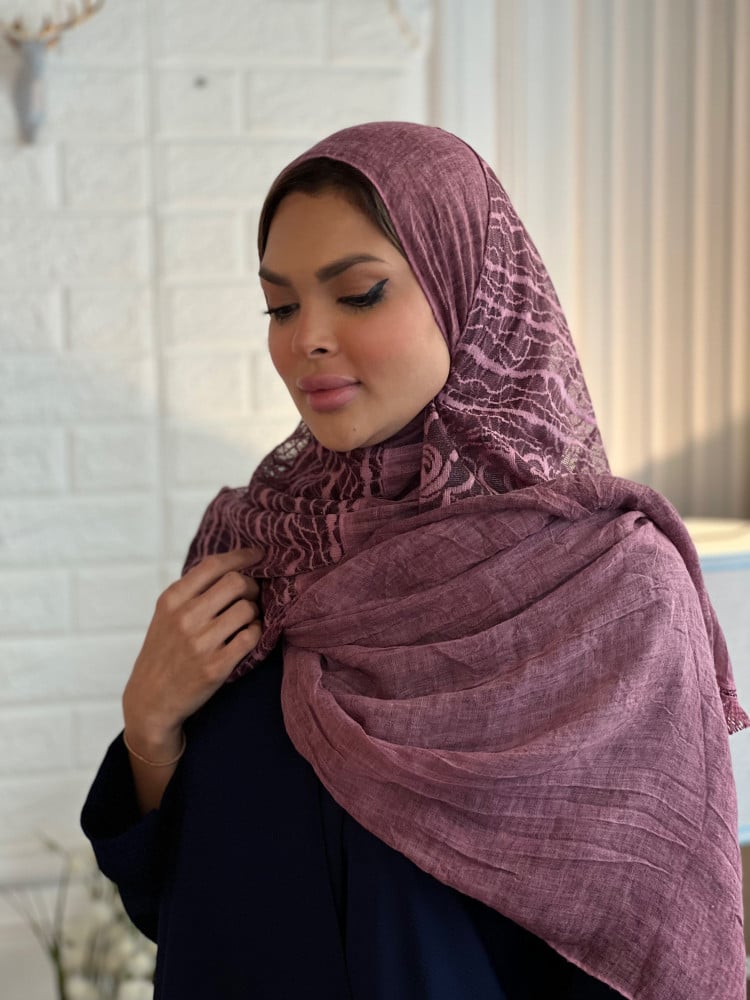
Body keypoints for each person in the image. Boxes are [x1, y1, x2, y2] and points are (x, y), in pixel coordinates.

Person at [82, 122, 748, 1000]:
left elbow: (653, 949)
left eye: (358, 294)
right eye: (280, 307)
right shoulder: (249, 553)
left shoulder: (611, 592)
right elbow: (183, 907)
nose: (307, 339)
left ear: (470, 290)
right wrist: (149, 729)